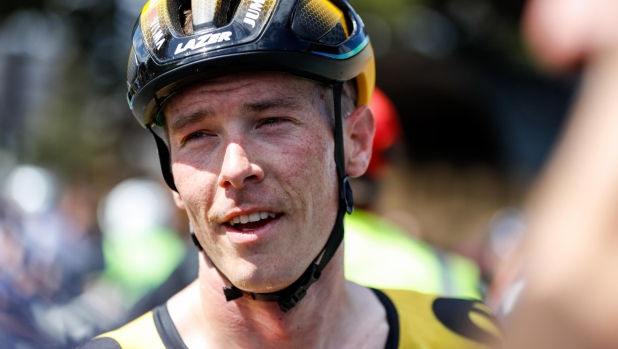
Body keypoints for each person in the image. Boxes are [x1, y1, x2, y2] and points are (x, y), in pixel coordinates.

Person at [79, 0, 501, 347]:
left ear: (355, 143)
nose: (236, 169)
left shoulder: (471, 338)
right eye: (198, 135)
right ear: (170, 172)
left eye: (271, 121)